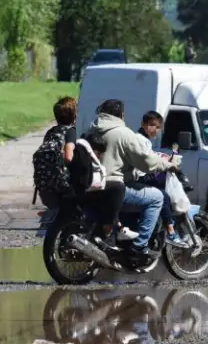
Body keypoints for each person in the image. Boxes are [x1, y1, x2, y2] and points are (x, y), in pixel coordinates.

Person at [87, 99, 179, 262]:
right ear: (120, 114)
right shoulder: (123, 133)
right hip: (113, 186)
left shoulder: (93, 130)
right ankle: (139, 246)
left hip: (91, 185)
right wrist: (167, 165)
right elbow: (145, 162)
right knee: (157, 197)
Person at [136, 111, 188, 248]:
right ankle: (171, 232)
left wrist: (162, 159)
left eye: (158, 127)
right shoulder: (141, 139)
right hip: (138, 177)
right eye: (151, 125)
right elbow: (148, 161)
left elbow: (150, 156)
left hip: (140, 175)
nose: (154, 129)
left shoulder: (142, 138)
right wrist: (167, 165)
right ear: (143, 124)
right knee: (163, 195)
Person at [33, 96, 80, 235]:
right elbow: (68, 156)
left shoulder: (51, 132)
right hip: (62, 183)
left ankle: (49, 223)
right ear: (74, 115)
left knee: (56, 207)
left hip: (44, 183)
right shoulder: (71, 131)